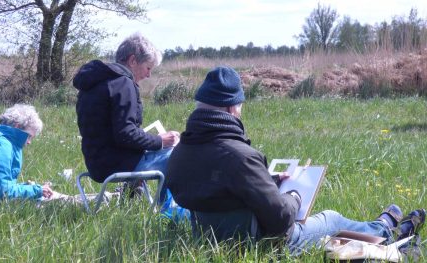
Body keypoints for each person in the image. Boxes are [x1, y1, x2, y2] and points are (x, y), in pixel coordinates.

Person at [166, 66, 425, 255]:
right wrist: (294, 197)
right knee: (331, 219)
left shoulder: (181, 152)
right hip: (260, 242)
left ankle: (382, 230)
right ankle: (383, 229)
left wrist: (266, 180)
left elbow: (220, 187)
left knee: (330, 226)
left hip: (212, 238)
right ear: (233, 108)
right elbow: (280, 221)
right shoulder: (239, 156)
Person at [73, 33, 180, 204]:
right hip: (117, 164)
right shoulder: (123, 84)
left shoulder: (94, 83)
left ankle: (131, 195)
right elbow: (125, 134)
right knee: (179, 156)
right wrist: (160, 141)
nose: (148, 75)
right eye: (148, 68)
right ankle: (169, 213)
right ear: (132, 61)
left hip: (97, 163)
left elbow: (111, 132)